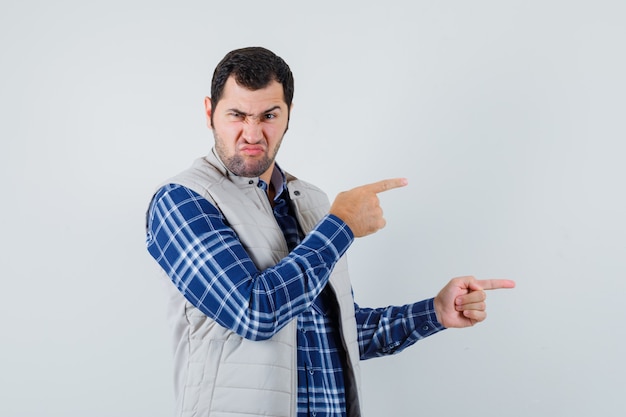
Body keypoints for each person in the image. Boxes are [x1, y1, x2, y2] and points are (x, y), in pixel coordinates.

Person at [145, 46, 515, 417]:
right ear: (210, 112)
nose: (253, 133)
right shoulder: (182, 201)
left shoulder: (312, 202)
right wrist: (341, 226)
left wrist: (434, 311)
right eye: (237, 115)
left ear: (288, 116)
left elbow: (339, 333)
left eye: (269, 115)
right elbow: (254, 312)